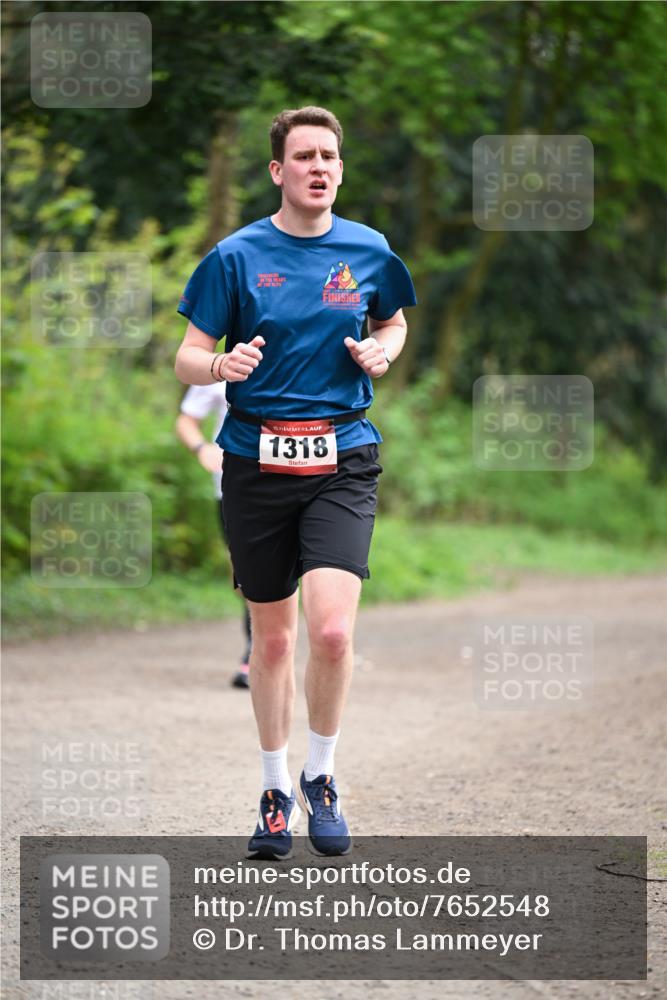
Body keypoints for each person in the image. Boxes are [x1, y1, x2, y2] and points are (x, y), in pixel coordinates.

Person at [175, 106, 416, 859]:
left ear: (341, 170)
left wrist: (384, 352)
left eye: (330, 156)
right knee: (273, 644)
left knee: (333, 631)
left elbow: (394, 323)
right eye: (304, 155)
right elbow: (186, 354)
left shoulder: (368, 251)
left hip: (342, 457)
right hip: (254, 461)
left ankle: (323, 776)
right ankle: (275, 790)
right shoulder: (235, 257)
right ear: (278, 171)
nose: (319, 166)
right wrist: (219, 367)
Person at [175, 381, 252, 689]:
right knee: (247, 573)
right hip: (232, 488)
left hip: (297, 481)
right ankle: (256, 648)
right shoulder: (221, 367)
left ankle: (270, 647)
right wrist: (202, 447)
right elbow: (186, 419)